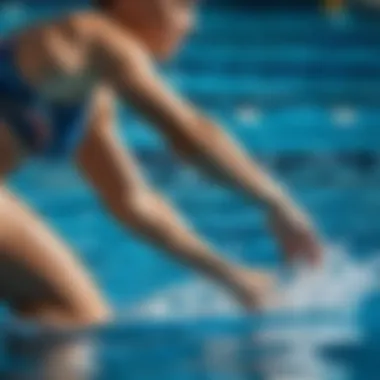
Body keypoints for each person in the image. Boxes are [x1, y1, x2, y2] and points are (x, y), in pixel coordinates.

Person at [0, 0, 322, 328]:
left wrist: (231, 276)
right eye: (184, 5)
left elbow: (133, 202)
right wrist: (277, 202)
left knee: (67, 314)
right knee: (77, 316)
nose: (192, 24)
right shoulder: (93, 35)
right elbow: (190, 132)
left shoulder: (86, 89)